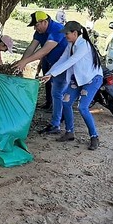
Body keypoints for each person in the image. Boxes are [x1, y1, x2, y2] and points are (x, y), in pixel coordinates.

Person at [40, 21, 103, 150]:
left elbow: (71, 61)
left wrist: (52, 74)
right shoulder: (71, 44)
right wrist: (49, 73)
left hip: (91, 80)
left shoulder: (83, 44)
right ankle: (69, 132)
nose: (65, 36)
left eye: (67, 34)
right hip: (78, 79)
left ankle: (94, 136)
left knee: (82, 108)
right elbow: (62, 60)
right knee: (66, 102)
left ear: (75, 33)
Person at [12, 11, 68, 134]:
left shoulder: (57, 29)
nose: (35, 28)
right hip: (50, 62)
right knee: (55, 91)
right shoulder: (39, 32)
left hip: (62, 65)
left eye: (36, 25)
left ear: (45, 22)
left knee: (59, 92)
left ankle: (60, 121)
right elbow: (31, 48)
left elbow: (43, 50)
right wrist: (22, 63)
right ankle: (56, 118)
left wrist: (25, 61)